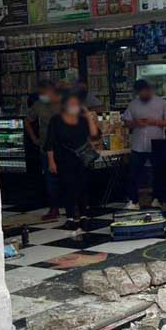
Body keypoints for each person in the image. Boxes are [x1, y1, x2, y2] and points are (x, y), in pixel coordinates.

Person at [45, 93, 100, 232]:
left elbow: (94, 134)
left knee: (82, 186)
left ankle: (83, 216)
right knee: (67, 187)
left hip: (81, 159)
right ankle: (70, 217)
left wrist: (88, 115)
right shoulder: (56, 120)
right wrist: (51, 162)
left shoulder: (82, 120)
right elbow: (49, 142)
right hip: (63, 158)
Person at [122, 80, 166, 210]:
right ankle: (133, 201)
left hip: (156, 142)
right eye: (140, 93)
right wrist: (136, 123)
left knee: (158, 173)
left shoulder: (161, 102)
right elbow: (126, 122)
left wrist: (156, 122)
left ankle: (157, 199)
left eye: (145, 92)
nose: (143, 95)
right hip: (138, 144)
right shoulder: (133, 104)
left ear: (149, 90)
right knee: (133, 173)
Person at [25, 80, 61, 220]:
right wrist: (34, 138)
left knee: (67, 177)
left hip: (63, 146)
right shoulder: (38, 105)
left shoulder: (62, 103)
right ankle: (54, 208)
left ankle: (74, 207)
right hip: (46, 146)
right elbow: (27, 120)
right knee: (50, 178)